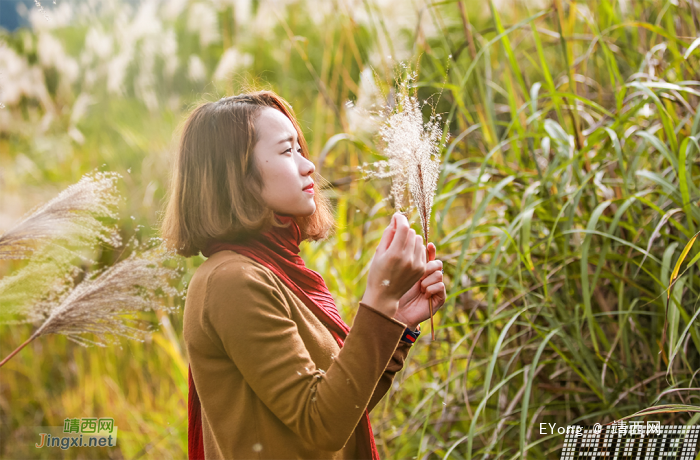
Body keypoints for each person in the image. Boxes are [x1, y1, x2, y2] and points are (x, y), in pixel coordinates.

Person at [161, 90, 446, 459]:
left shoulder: (276, 271)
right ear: (237, 175)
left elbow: (343, 409)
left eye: (300, 148)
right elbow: (321, 426)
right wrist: (378, 295)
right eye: (286, 151)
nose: (308, 164)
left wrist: (397, 321)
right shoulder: (232, 280)